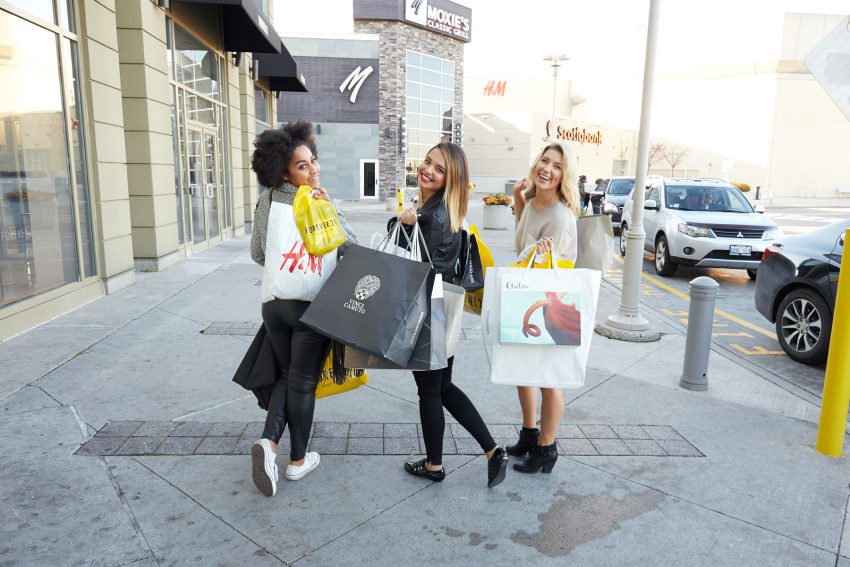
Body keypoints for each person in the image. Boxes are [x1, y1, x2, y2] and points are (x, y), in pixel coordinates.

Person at [248, 120, 357, 497]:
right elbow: (349, 247)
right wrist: (329, 210)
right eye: (302, 165)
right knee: (304, 382)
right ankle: (297, 461)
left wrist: (286, 266)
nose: (313, 170)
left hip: (274, 304)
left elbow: (258, 253)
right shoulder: (316, 199)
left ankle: (268, 443)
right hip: (311, 305)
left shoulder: (267, 201)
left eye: (313, 161)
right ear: (284, 172)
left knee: (288, 375)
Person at [392, 142, 509, 488]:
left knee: (429, 392)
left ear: (451, 178)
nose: (427, 170)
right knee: (442, 388)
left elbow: (411, 252)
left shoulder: (434, 215)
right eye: (428, 162)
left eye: (439, 169)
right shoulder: (447, 209)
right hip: (445, 308)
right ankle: (492, 451)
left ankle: (434, 465)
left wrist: (403, 224)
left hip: (428, 312)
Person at [508, 141, 580, 474]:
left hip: (549, 304)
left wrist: (539, 254)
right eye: (545, 161)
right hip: (528, 295)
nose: (547, 169)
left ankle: (546, 447)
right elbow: (523, 238)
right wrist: (518, 198)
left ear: (565, 176)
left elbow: (551, 270)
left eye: (557, 166)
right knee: (523, 370)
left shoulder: (561, 217)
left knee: (548, 378)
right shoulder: (533, 201)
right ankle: (529, 433)